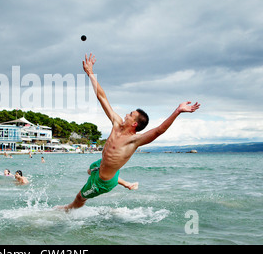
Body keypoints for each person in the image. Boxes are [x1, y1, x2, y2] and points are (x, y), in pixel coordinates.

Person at [58, 53, 200, 210]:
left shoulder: (134, 141)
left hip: (103, 182)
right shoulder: (117, 123)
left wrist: (178, 111)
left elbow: (159, 130)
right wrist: (90, 73)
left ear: (134, 124)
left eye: (130, 114)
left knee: (80, 197)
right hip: (102, 164)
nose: (126, 114)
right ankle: (127, 184)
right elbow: (102, 97)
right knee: (90, 169)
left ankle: (66, 211)